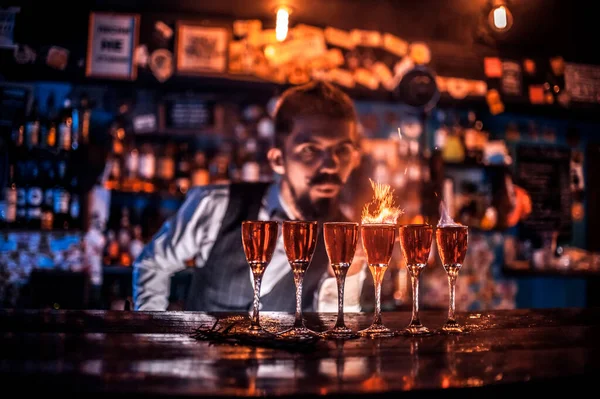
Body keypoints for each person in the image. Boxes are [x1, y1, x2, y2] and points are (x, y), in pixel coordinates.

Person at [133, 80, 368, 312]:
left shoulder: (346, 239)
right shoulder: (217, 204)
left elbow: (335, 327)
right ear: (277, 159)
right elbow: (152, 265)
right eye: (310, 150)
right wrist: (154, 333)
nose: (331, 166)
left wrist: (350, 273)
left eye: (342, 151)